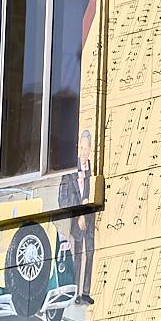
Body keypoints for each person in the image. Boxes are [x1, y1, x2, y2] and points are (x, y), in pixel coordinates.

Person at [58, 129, 94, 306]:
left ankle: (85, 292)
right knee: (78, 256)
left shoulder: (91, 170)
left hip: (90, 220)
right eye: (82, 148)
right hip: (77, 221)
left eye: (87, 149)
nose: (84, 153)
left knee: (91, 252)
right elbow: (62, 201)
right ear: (77, 149)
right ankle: (75, 291)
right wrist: (79, 210)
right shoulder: (69, 172)